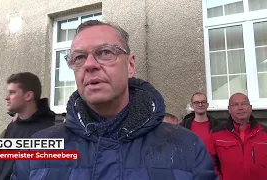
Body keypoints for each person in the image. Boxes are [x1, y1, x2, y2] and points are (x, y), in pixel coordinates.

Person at [12, 20, 217, 180]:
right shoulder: (39, 148)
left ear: (130, 65)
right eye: (79, 57)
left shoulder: (186, 146)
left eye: (105, 52)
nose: (89, 64)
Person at [0, 72, 56, 180]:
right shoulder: (12, 127)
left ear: (28, 95)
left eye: (12, 92)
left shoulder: (49, 132)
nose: (6, 97)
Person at [206, 93, 267, 180]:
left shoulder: (265, 133)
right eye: (235, 104)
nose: (240, 107)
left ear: (251, 108)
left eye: (244, 104)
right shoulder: (216, 134)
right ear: (229, 109)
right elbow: (208, 162)